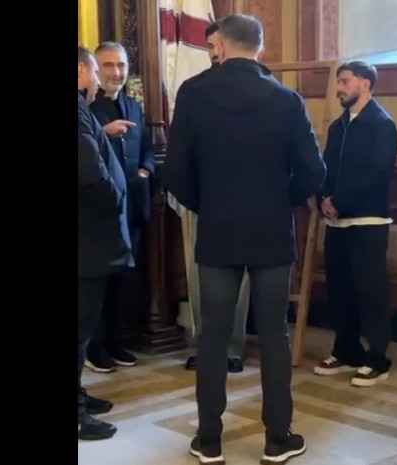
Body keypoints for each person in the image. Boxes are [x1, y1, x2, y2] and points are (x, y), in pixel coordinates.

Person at [163, 14, 325, 464]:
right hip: (272, 232)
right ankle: (278, 438)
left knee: (213, 336)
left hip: (218, 230)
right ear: (260, 48)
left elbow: (174, 172)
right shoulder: (287, 100)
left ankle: (209, 440)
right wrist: (280, 201)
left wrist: (208, 204)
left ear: (220, 46)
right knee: (274, 334)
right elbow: (313, 171)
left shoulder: (193, 93)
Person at [168, 22, 251, 374]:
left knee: (240, 279)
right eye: (209, 47)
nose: (214, 53)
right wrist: (195, 199)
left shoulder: (262, 90)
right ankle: (206, 346)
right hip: (202, 199)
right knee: (200, 275)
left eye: (218, 46)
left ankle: (232, 348)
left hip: (247, 201)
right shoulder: (193, 90)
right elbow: (180, 153)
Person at [312, 60, 397, 388]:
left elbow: (378, 174)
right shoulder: (338, 127)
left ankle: (377, 358)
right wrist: (324, 198)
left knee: (371, 291)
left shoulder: (382, 124)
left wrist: (340, 201)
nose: (339, 88)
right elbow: (326, 167)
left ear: (365, 84)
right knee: (340, 290)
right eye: (339, 82)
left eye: (345, 81)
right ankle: (346, 350)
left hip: (368, 220)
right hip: (337, 222)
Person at [84, 41, 154, 373]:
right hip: (101, 211)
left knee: (125, 281)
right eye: (108, 66)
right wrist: (104, 132)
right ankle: (94, 347)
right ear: (96, 70)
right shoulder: (87, 108)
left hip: (133, 207)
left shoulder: (134, 106)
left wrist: (145, 171)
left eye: (121, 65)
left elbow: (148, 148)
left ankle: (116, 340)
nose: (116, 72)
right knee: (100, 283)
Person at [77, 45, 132, 441]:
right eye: (96, 70)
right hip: (85, 241)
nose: (98, 78)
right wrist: (115, 195)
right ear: (81, 70)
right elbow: (89, 170)